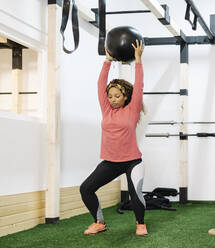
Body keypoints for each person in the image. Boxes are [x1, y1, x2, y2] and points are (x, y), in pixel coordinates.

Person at [79, 40, 148, 236]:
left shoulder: (132, 110)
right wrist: (107, 61)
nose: (112, 99)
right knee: (86, 189)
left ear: (125, 96)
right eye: (110, 96)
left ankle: (140, 223)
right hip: (110, 162)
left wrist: (138, 60)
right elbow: (100, 85)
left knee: (135, 193)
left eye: (117, 96)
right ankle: (99, 222)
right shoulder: (106, 110)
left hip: (132, 161)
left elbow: (140, 85)